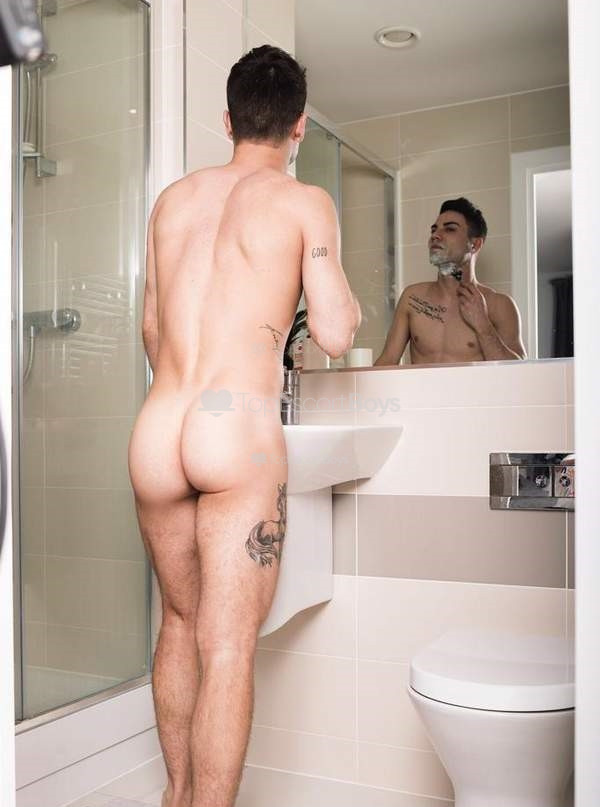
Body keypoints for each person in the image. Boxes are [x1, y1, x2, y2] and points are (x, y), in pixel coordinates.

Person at [127, 45, 361, 807]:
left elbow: (153, 330)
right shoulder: (303, 201)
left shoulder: (173, 201)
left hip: (159, 426)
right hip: (236, 431)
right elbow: (334, 332)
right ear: (299, 126)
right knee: (226, 646)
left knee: (178, 622)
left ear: (227, 120)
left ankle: (176, 795)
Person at [374, 197, 526, 365]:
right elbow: (387, 360)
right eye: (434, 230)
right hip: (422, 384)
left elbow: (519, 372)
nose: (435, 236)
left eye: (450, 229)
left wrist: (483, 325)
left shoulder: (499, 305)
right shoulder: (412, 298)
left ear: (475, 245)